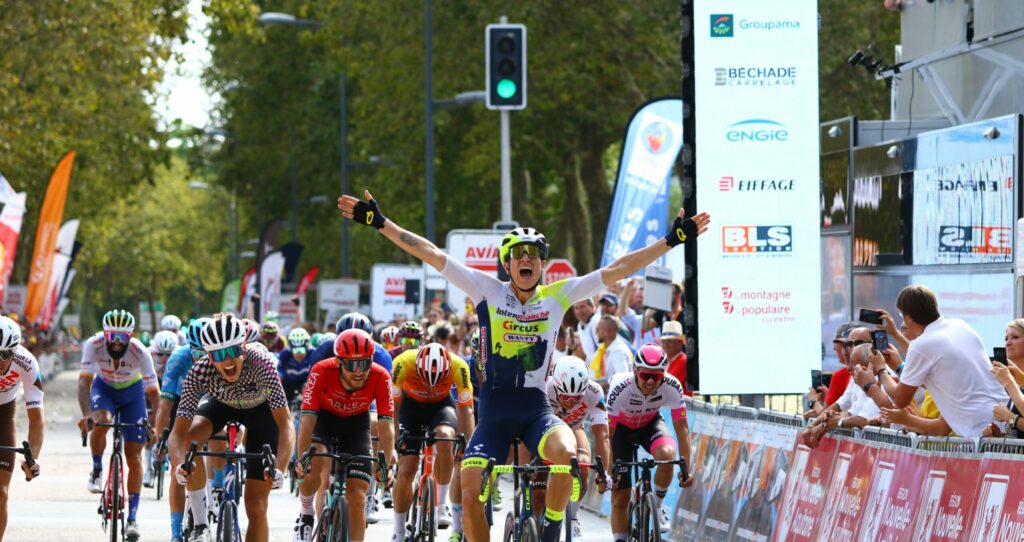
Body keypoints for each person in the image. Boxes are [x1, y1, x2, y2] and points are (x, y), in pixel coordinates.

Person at [338, 189, 709, 542]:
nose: (526, 259)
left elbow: (618, 269)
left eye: (534, 254)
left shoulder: (557, 296)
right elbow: (430, 253)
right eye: (518, 254)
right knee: (469, 496)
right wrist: (381, 223)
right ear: (507, 263)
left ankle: (549, 528)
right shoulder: (487, 290)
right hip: (495, 413)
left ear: (543, 264)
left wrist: (671, 241)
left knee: (568, 454)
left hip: (536, 409)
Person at [170, 314, 294, 542]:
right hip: (220, 404)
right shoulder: (199, 372)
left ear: (244, 347)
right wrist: (179, 464)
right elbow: (177, 434)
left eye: (232, 352)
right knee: (190, 439)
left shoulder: (262, 363)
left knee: (256, 507)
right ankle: (200, 525)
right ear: (208, 356)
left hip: (260, 411)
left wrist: (281, 468)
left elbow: (285, 423)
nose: (226, 361)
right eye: (218, 354)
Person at [292, 329, 396, 542]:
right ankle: (306, 512)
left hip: (356, 426)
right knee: (316, 459)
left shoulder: (381, 375)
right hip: (323, 421)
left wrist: (385, 464)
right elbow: (307, 420)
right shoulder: (322, 370)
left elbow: (386, 426)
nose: (358, 371)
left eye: (364, 364)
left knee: (357, 496)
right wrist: (302, 458)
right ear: (339, 362)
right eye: (351, 365)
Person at [868, 285, 1008, 437]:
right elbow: (938, 376)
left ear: (908, 318)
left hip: (982, 430)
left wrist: (881, 369)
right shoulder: (961, 325)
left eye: (902, 316)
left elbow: (900, 399)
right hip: (1005, 415)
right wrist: (897, 355)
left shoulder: (921, 345)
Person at [78, 309, 160, 542]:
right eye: (111, 336)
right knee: (101, 420)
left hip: (132, 394)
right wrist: (86, 415)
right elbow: (84, 384)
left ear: (131, 336)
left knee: (133, 457)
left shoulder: (140, 352)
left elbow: (155, 395)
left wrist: (152, 426)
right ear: (104, 334)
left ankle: (132, 518)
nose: (115, 342)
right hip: (103, 389)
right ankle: (96, 469)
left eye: (122, 337)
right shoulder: (92, 345)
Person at [607, 344, 693, 539]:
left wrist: (686, 469)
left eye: (657, 376)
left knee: (668, 455)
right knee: (620, 497)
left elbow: (683, 430)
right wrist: (609, 468)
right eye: (646, 375)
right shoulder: (620, 386)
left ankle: (658, 506)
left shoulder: (672, 386)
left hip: (650, 424)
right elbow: (608, 435)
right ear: (635, 371)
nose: (651, 381)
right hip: (620, 431)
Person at [391, 343, 475, 541]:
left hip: (441, 407)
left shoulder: (459, 366)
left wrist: (466, 444)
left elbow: (466, 409)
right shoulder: (402, 363)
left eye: (437, 380)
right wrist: (396, 438)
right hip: (409, 409)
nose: (430, 384)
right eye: (425, 379)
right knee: (407, 469)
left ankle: (441, 504)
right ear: (417, 368)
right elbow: (392, 406)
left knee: (446, 438)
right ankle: (399, 530)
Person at [539, 356, 610, 540]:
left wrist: (604, 473)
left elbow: (602, 436)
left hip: (574, 427)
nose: (571, 401)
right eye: (565, 396)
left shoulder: (594, 392)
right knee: (537, 489)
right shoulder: (544, 387)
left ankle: (572, 516)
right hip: (545, 430)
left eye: (577, 397)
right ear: (555, 386)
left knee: (583, 465)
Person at [153, 317, 210, 542]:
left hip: (210, 402)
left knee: (219, 441)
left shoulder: (220, 359)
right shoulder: (178, 358)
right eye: (196, 353)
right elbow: (164, 406)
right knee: (178, 469)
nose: (200, 359)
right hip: (181, 400)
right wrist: (160, 439)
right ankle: (176, 532)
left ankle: (215, 488)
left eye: (204, 353)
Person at [0, 316, 43, 539]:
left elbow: (36, 418)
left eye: (5, 354)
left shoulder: (28, 363)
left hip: (3, 412)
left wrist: (32, 458)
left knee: (1, 492)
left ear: (15, 351)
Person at [989, 319, 1024, 437]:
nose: (1008, 343)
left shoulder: (1010, 381)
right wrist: (999, 434)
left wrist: (1009, 417)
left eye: (1015, 337)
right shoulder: (1016, 381)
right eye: (1006, 338)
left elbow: (1011, 418)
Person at [589, 315, 634, 389]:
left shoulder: (619, 352)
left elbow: (621, 379)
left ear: (606, 332)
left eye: (597, 329)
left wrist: (598, 388)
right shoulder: (602, 349)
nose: (596, 332)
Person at [278, 327, 313, 405]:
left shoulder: (313, 353)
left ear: (307, 348)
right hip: (289, 382)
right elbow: (279, 375)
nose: (299, 354)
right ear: (291, 348)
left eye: (302, 350)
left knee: (307, 386)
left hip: (305, 380)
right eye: (296, 350)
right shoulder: (285, 354)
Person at [660, 321, 691, 396]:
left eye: (669, 341)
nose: (665, 345)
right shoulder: (664, 361)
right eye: (663, 341)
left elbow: (667, 387)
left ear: (680, 343)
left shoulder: (684, 362)